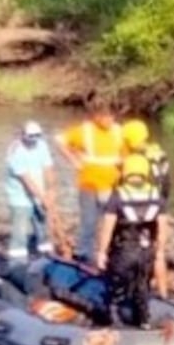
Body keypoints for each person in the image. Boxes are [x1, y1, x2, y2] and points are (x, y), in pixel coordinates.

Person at [94, 153, 167, 329]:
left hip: (123, 251)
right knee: (142, 287)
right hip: (146, 251)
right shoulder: (156, 195)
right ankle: (144, 321)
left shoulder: (118, 195)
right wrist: (159, 251)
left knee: (116, 289)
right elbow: (163, 228)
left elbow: (108, 226)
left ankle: (114, 324)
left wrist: (102, 252)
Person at [55, 103, 124, 263]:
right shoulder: (85, 131)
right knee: (89, 220)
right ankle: (84, 252)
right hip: (88, 183)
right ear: (96, 117)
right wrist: (73, 160)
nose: (109, 121)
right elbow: (59, 140)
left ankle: (106, 252)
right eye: (105, 117)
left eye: (111, 117)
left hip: (110, 183)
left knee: (108, 220)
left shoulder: (118, 131)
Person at [122, 118, 171, 293]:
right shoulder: (159, 152)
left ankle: (138, 288)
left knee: (136, 248)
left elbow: (132, 184)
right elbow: (166, 182)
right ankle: (163, 292)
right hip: (159, 205)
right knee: (158, 251)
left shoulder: (137, 158)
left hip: (142, 209)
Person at [4, 120, 57, 262]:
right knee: (20, 232)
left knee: (43, 229)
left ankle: (46, 258)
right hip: (20, 197)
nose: (34, 140)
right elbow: (26, 181)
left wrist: (51, 190)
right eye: (31, 136)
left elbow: (48, 168)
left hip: (39, 193)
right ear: (23, 135)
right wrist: (43, 198)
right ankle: (17, 262)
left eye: (37, 136)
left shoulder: (42, 145)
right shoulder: (15, 152)